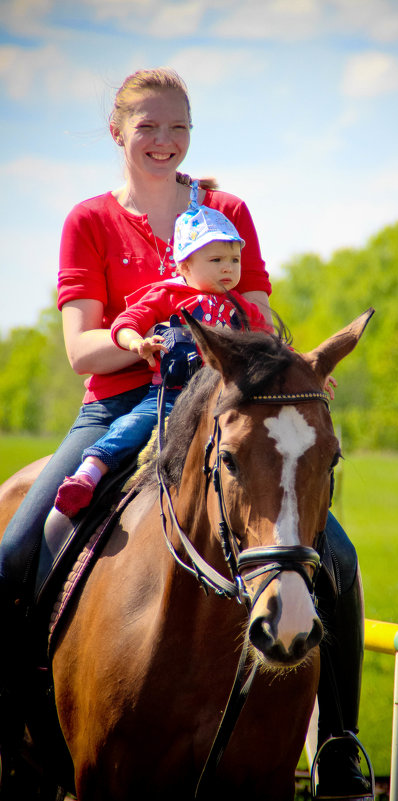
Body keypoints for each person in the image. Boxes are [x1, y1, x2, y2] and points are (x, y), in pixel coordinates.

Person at [0, 68, 372, 800]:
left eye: (177, 127)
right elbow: (82, 349)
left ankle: (336, 745)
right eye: (148, 127)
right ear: (118, 133)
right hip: (116, 408)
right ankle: (17, 723)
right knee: (14, 549)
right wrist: (151, 339)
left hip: (223, 405)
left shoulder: (227, 208)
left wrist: (280, 366)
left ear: (191, 133)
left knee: (337, 554)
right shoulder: (89, 220)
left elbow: (258, 316)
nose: (163, 141)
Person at [51, 185, 272, 519]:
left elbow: (269, 343)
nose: (228, 268)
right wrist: (136, 343)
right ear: (183, 266)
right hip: (168, 396)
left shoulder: (240, 308)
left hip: (222, 401)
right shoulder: (167, 297)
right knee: (134, 425)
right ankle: (89, 472)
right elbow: (127, 322)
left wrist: (305, 370)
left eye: (234, 260)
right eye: (216, 260)